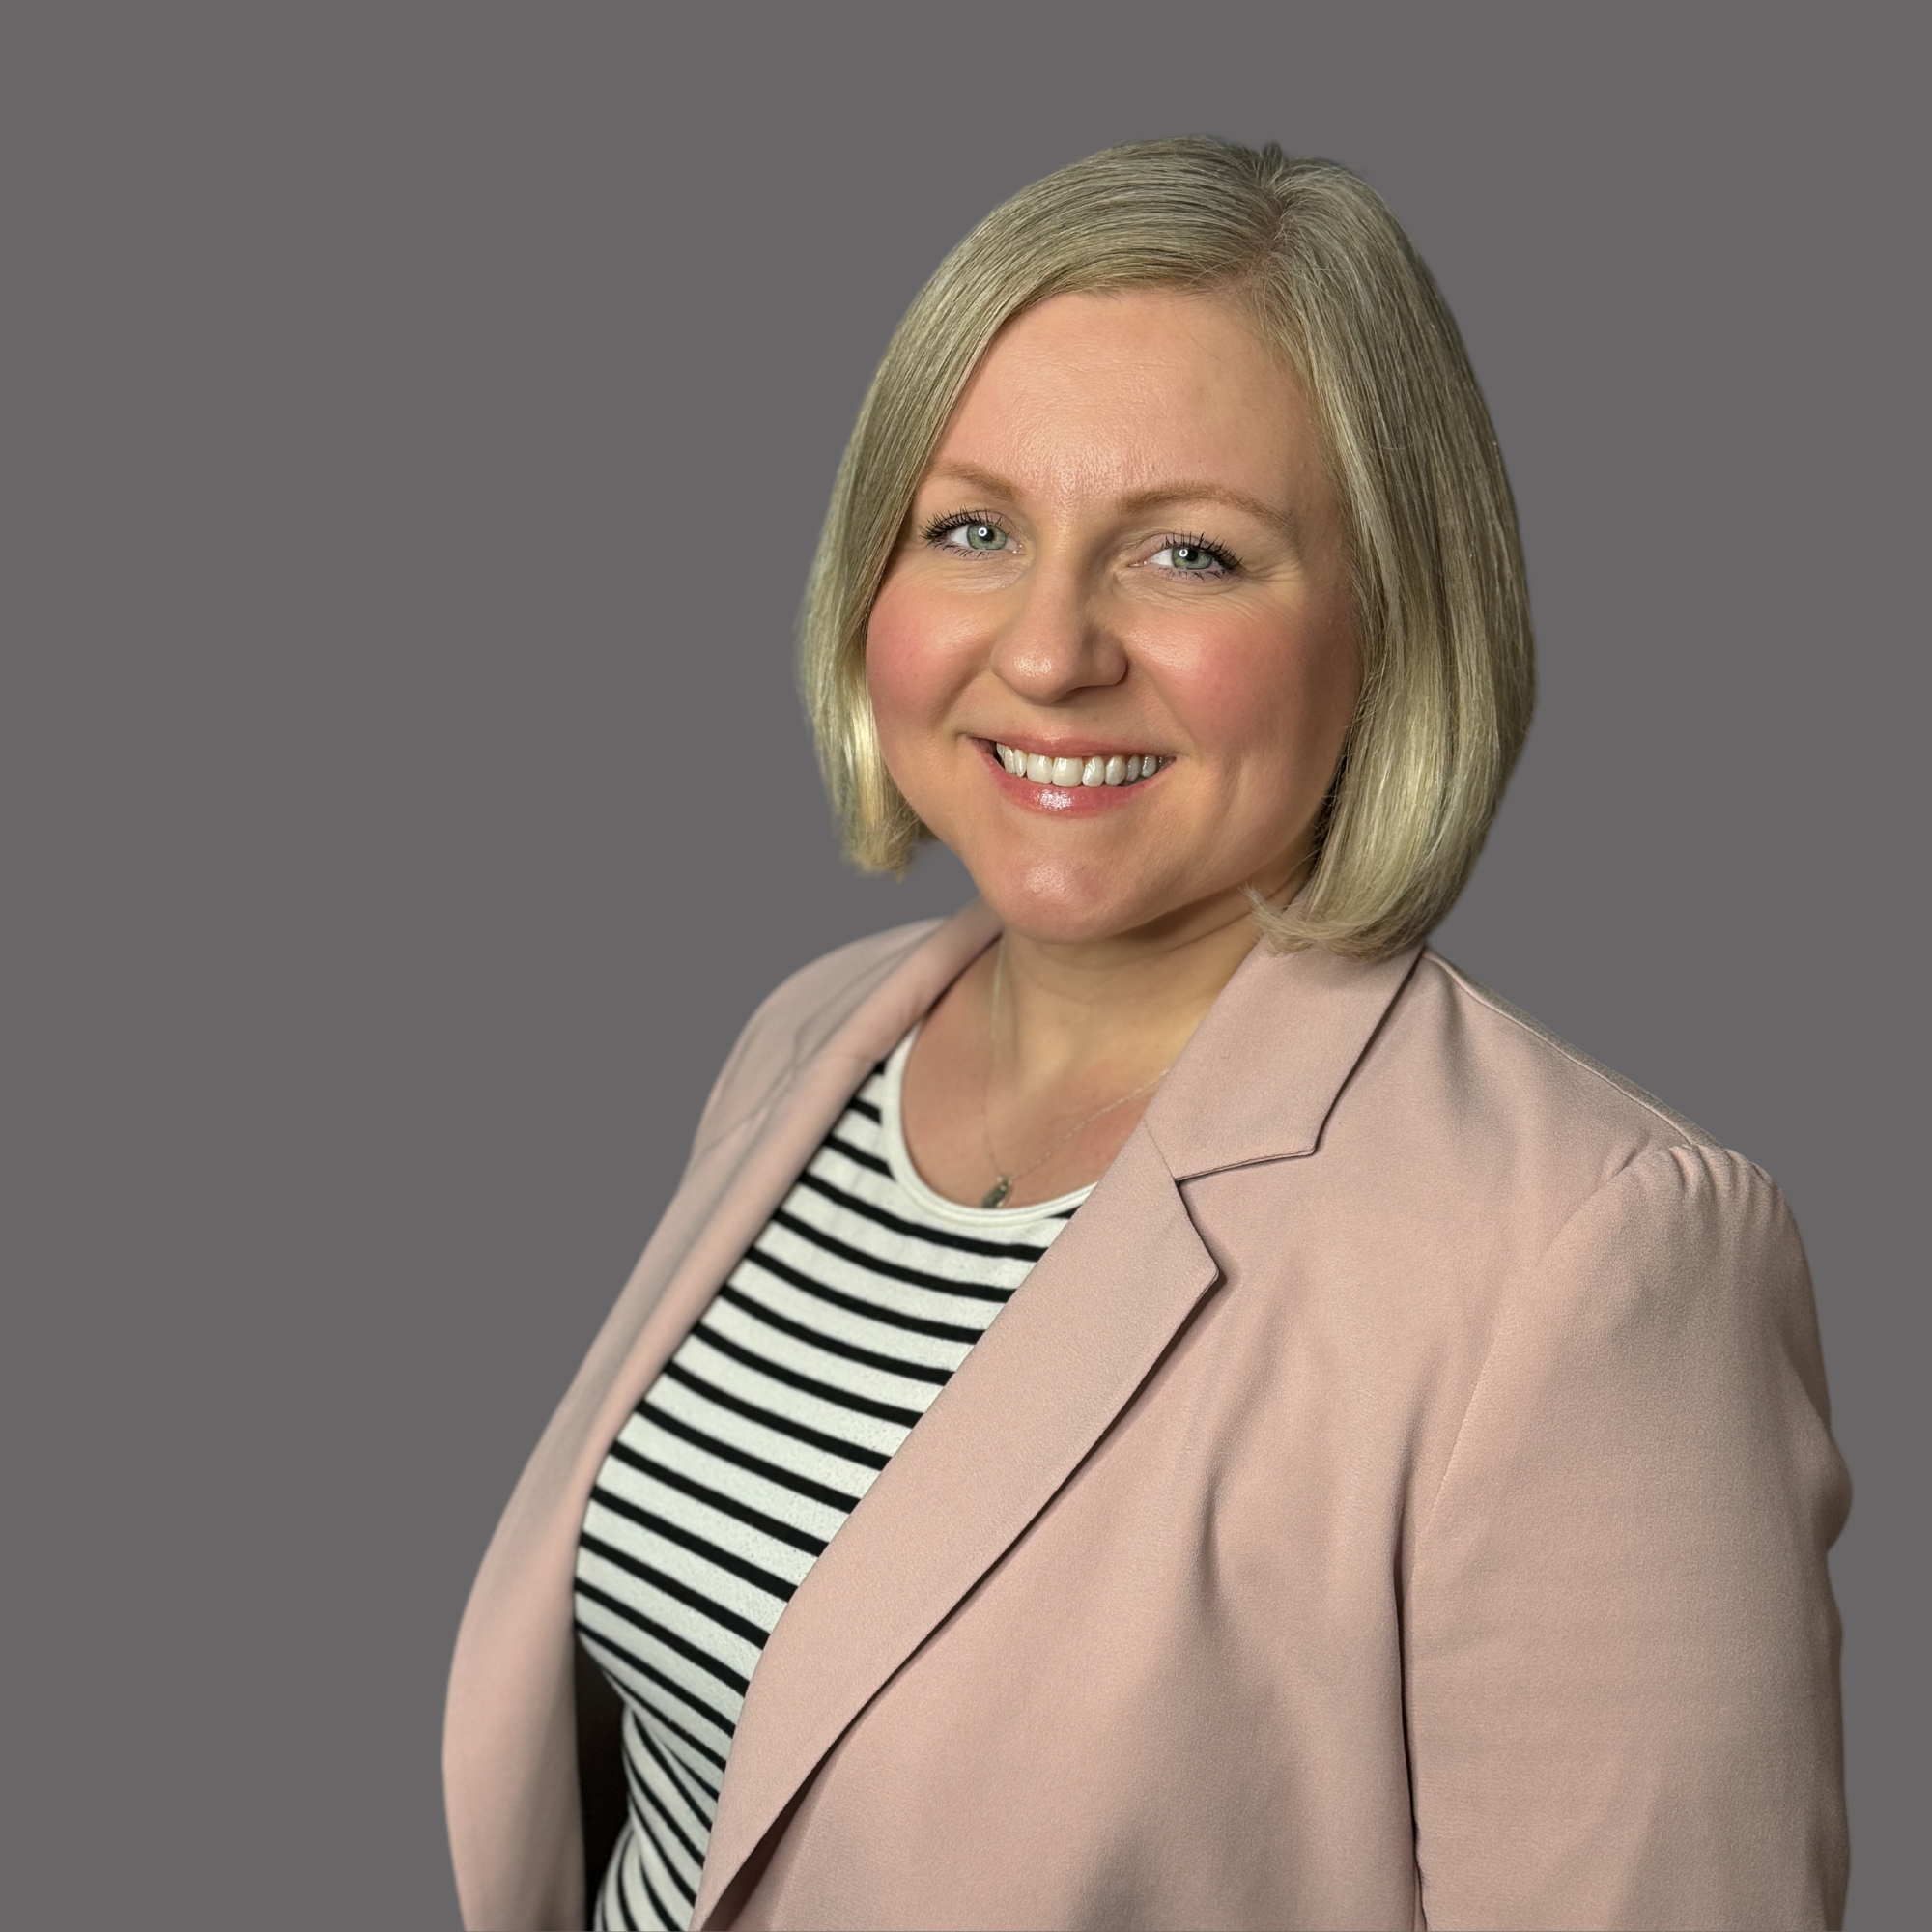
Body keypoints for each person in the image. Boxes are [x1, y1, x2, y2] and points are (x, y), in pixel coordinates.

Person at [443, 139, 1849, 1932]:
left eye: (1190, 554)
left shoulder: (1588, 1264)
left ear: (1392, 623)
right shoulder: (811, 1047)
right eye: (974, 529)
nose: (1048, 652)